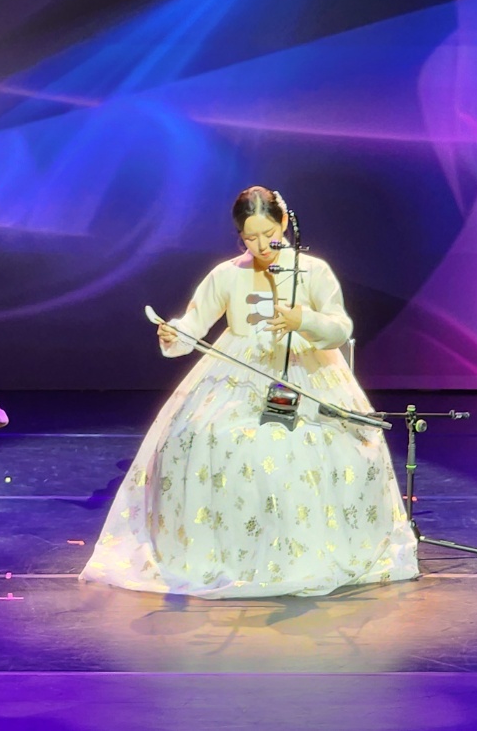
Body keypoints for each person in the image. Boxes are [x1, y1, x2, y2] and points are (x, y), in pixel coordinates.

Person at [80, 186, 419, 598]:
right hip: (239, 376)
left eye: (269, 235)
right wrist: (174, 334)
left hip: (304, 371)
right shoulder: (227, 274)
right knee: (204, 437)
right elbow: (193, 326)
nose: (261, 246)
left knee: (311, 445)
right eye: (250, 238)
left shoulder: (312, 270)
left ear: (284, 223)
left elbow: (340, 328)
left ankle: (301, 554)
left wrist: (303, 319)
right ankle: (229, 555)